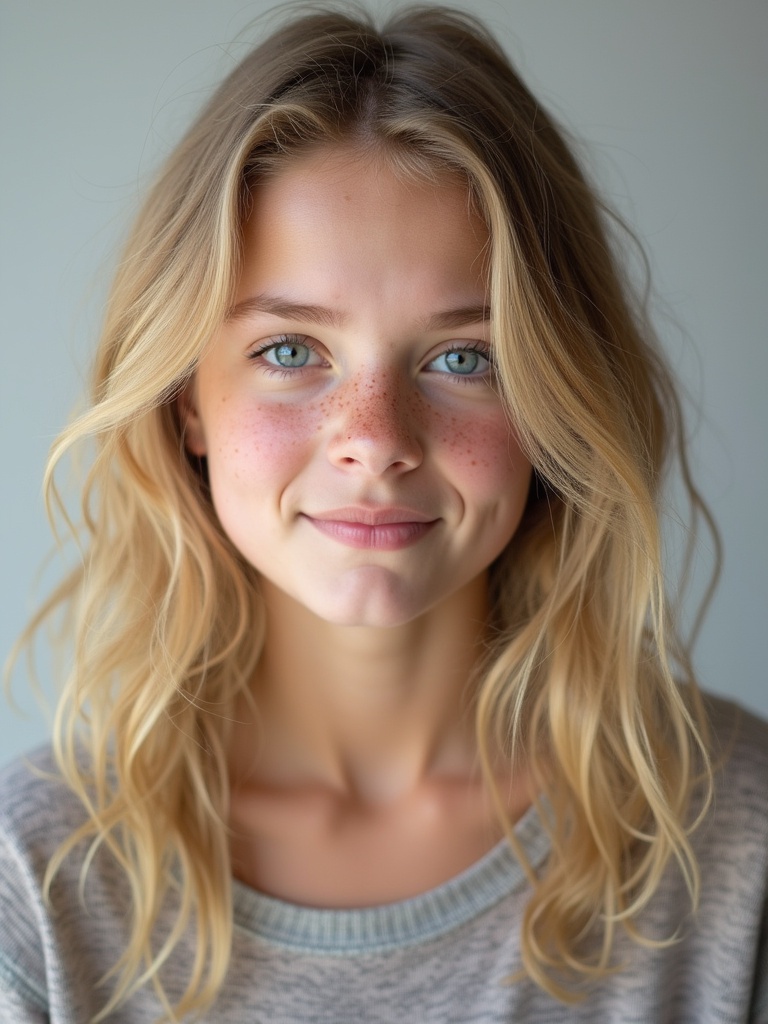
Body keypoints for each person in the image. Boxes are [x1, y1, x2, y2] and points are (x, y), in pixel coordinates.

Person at [1, 6, 766, 1023]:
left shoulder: (733, 836)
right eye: (290, 351)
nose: (375, 437)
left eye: (463, 358)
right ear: (188, 398)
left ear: (554, 401)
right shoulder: (37, 880)